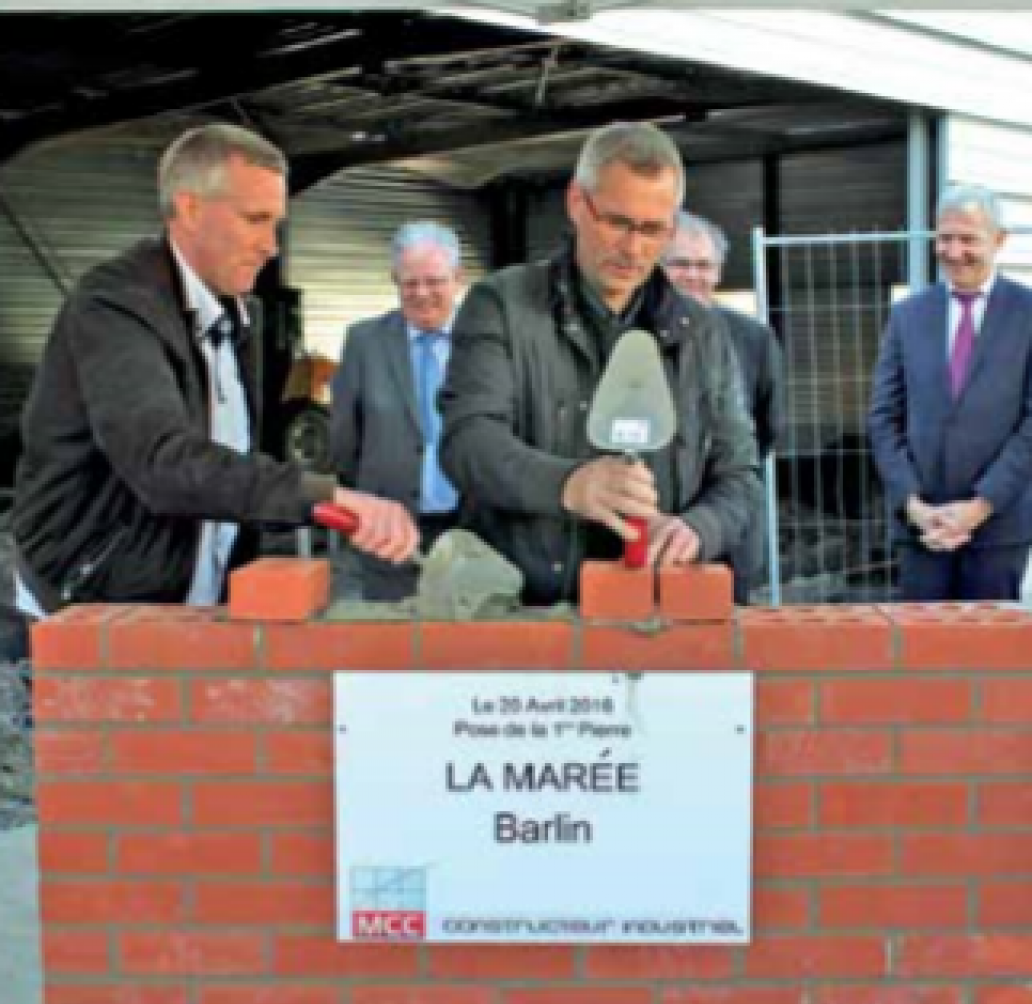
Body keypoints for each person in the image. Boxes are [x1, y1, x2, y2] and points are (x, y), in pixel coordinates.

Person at [11, 123, 418, 627]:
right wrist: (323, 495)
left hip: (191, 603)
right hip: (90, 609)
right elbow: (162, 461)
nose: (271, 246)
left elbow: (231, 459)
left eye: (277, 224)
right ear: (189, 208)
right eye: (256, 220)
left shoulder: (238, 316)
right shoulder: (115, 307)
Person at [440, 121, 760, 605]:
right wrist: (567, 484)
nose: (634, 249)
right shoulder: (501, 304)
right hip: (527, 613)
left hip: (657, 611)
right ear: (576, 202)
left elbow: (740, 474)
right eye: (617, 222)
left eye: (653, 230)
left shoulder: (704, 333)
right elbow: (468, 443)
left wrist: (700, 528)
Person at [868, 183, 1032, 601]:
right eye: (944, 238)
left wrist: (979, 507)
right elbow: (883, 417)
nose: (953, 251)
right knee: (921, 656)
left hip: (999, 528)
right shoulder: (908, 315)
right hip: (922, 530)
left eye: (967, 239)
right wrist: (914, 506)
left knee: (988, 659)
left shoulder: (1027, 313)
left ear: (998, 241)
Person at [330, 222, 464, 599]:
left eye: (434, 281)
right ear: (395, 280)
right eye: (409, 283)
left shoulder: (486, 341)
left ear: (457, 278)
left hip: (474, 528)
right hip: (389, 533)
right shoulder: (364, 342)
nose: (421, 293)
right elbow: (344, 440)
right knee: (389, 647)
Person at [663, 210, 783, 603]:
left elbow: (766, 427)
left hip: (729, 528)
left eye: (705, 266)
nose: (694, 275)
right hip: (656, 529)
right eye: (680, 264)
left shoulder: (754, 339)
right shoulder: (632, 338)